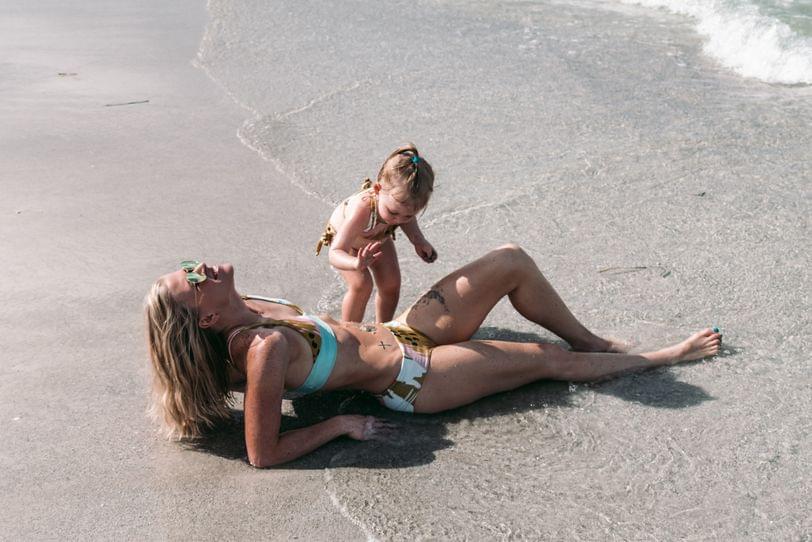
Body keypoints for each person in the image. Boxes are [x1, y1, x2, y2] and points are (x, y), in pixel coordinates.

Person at [144, 244, 722, 468]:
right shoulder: (262, 349)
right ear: (208, 318)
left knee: (511, 260)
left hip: (404, 331)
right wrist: (340, 424)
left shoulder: (249, 306)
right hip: (413, 379)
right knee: (545, 359)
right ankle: (663, 358)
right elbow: (261, 454)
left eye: (190, 263)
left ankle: (592, 340)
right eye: (194, 280)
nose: (203, 268)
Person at [315, 144, 436, 322]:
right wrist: (356, 263)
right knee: (362, 285)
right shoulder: (362, 209)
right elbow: (335, 252)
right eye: (393, 212)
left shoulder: (400, 210)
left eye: (408, 215)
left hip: (376, 238)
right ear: (378, 189)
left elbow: (406, 220)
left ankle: (383, 328)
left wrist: (418, 241)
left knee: (391, 284)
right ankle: (348, 331)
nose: (398, 220)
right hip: (347, 245)